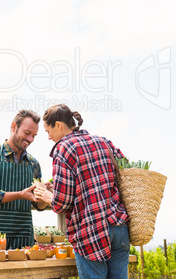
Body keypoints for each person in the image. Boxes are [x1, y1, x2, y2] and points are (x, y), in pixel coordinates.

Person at [34, 104, 130, 279]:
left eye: (48, 131)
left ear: (59, 125)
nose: (48, 137)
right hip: (119, 227)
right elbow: (126, 170)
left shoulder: (63, 148)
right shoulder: (104, 141)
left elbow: (62, 204)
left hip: (91, 231)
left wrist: (49, 196)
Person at [0, 110, 48, 249]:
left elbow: (38, 206)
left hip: (23, 235)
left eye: (34, 136)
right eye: (27, 133)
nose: (30, 139)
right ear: (14, 127)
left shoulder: (33, 164)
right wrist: (20, 195)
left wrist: (45, 195)